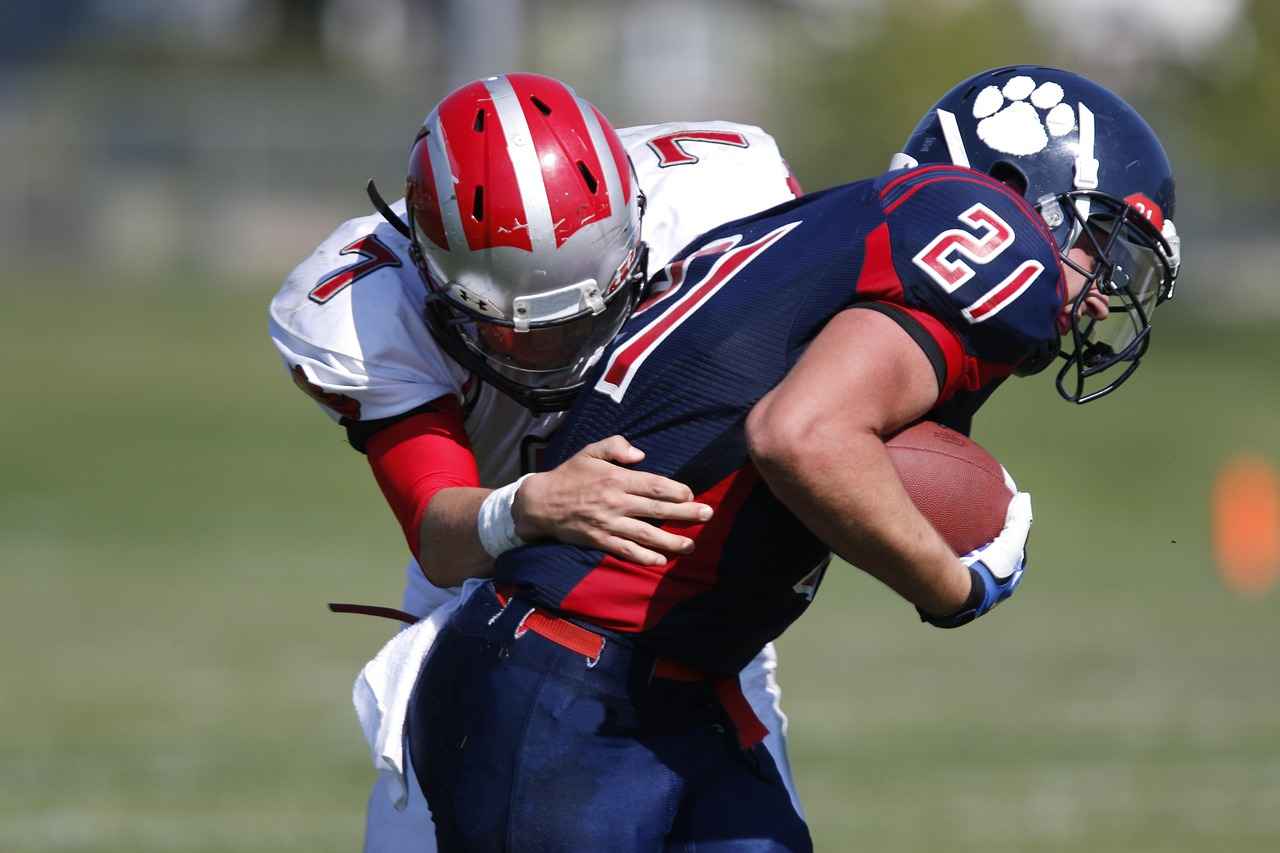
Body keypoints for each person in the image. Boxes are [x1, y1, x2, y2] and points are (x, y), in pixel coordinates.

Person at [402, 66, 1182, 851]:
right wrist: (959, 586)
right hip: (565, 688)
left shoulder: (826, 229)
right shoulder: (996, 236)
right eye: (1105, 246)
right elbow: (801, 436)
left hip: (659, 689)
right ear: (1021, 189)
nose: (1105, 297)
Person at [268, 73, 805, 852]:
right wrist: (528, 507)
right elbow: (442, 533)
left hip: (682, 599)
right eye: (525, 331)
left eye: (592, 313)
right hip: (485, 608)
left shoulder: (724, 196)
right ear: (433, 274)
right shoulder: (360, 304)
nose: (567, 352)